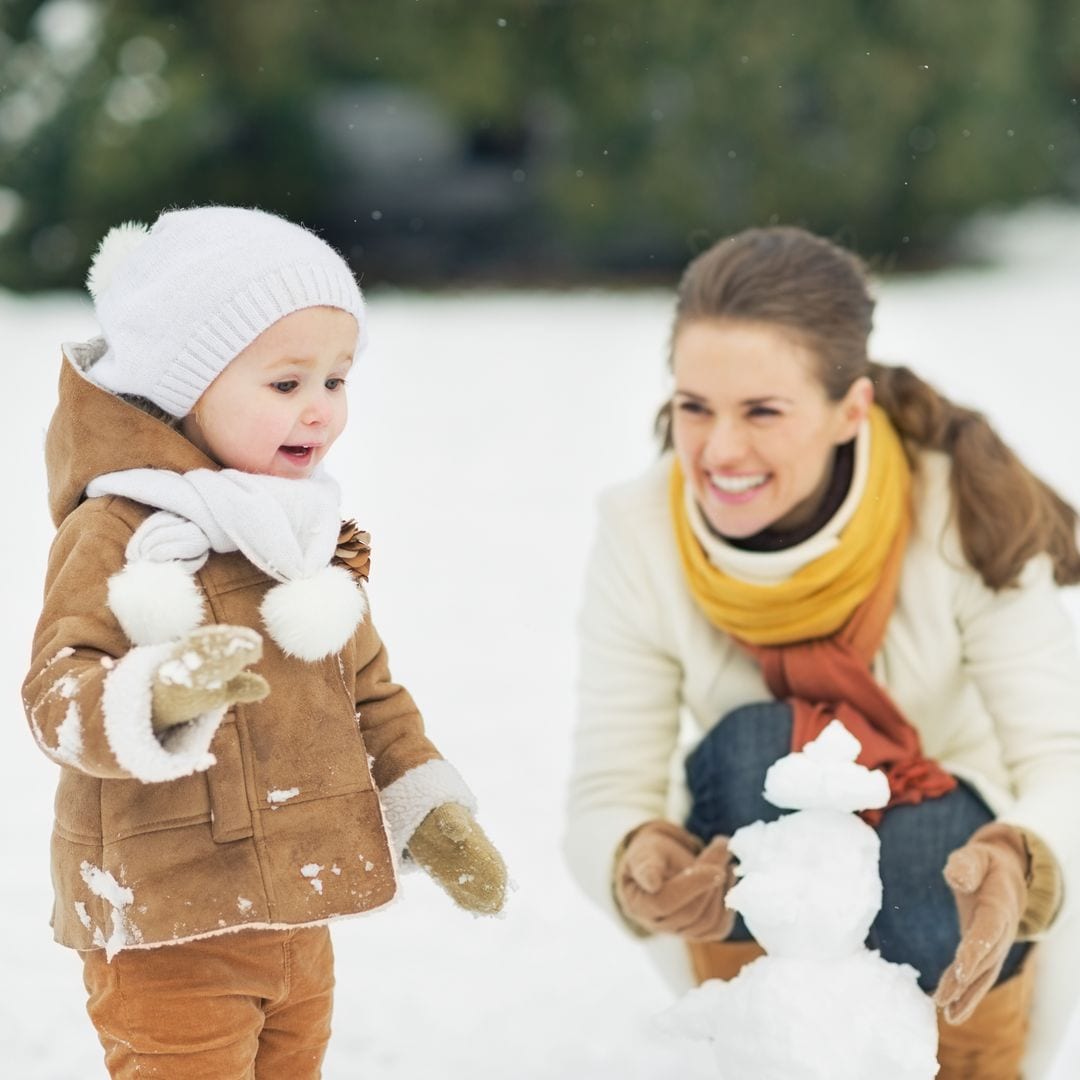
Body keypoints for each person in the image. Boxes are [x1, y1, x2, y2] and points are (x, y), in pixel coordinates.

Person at [564, 226, 1080, 1078]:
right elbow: (606, 789)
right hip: (757, 867)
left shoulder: (967, 507)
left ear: (851, 410)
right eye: (694, 407)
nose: (718, 451)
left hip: (957, 871)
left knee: (918, 855)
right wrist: (635, 857)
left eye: (763, 411)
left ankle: (971, 1062)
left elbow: (1065, 756)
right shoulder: (639, 530)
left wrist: (1019, 857)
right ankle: (773, 1051)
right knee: (760, 750)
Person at [22, 206, 508, 1079]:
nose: (320, 411)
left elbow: (369, 695)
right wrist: (158, 693)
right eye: (286, 385)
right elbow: (56, 696)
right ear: (184, 387)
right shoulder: (116, 529)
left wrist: (431, 812)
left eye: (337, 380)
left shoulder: (302, 533)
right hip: (167, 924)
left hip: (298, 912)